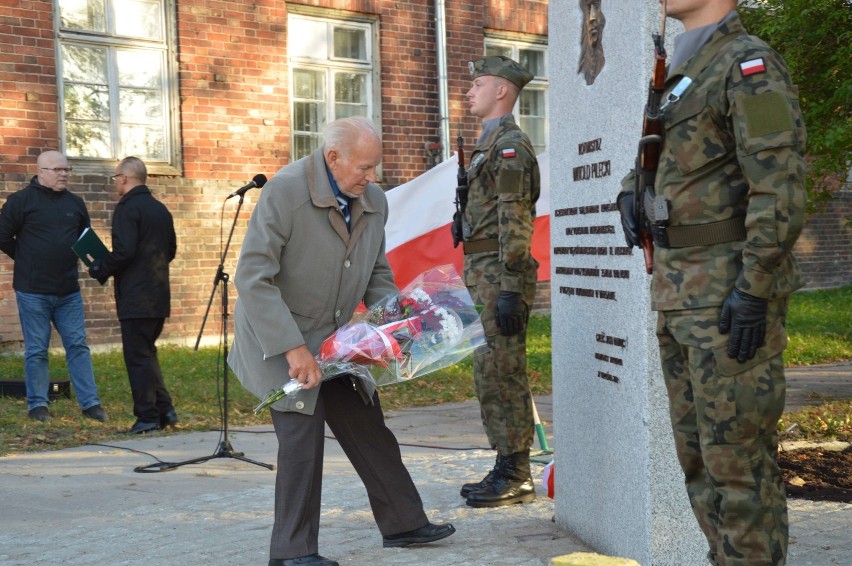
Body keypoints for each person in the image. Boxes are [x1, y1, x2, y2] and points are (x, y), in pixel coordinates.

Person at [617, 2, 807, 564]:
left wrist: (755, 289)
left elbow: (780, 188)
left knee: (739, 466)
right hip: (678, 295)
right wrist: (632, 187)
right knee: (698, 460)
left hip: (727, 294)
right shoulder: (683, 70)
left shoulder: (748, 65)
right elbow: (663, 154)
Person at [228, 116, 454, 566]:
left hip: (336, 341)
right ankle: (292, 553)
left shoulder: (371, 200)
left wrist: (400, 322)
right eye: (365, 168)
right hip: (281, 338)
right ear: (333, 157)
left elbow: (375, 271)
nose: (373, 179)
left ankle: (404, 524)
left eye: (376, 168)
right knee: (301, 440)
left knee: (368, 425)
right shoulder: (286, 191)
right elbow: (253, 278)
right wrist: (293, 350)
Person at [458, 55, 540, 508]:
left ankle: (517, 471)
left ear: (502, 91)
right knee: (489, 370)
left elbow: (516, 220)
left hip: (499, 275)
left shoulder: (511, 147)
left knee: (504, 371)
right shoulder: (488, 145)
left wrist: (511, 286)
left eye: (480, 83)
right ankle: (505, 462)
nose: (471, 91)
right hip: (483, 272)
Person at [0, 150, 106, 423]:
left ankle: (90, 403)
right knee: (37, 349)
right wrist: (26, 258)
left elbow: (84, 237)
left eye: (67, 170)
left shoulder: (75, 203)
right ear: (41, 171)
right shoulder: (21, 201)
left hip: (68, 289)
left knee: (78, 345)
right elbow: (2, 235)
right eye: (58, 170)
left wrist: (93, 261)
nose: (63, 174)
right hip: (33, 290)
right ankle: (38, 405)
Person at [87, 157, 178, 435]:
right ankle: (165, 410)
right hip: (158, 294)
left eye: (116, 177)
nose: (115, 182)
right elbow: (170, 251)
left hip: (136, 297)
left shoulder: (127, 207)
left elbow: (124, 251)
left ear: (125, 178)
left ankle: (147, 417)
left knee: (137, 357)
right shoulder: (160, 209)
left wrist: (99, 266)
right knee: (147, 353)